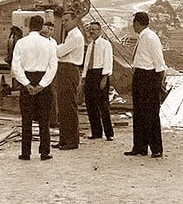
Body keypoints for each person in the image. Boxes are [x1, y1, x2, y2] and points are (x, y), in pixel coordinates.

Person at [12, 15, 57, 161]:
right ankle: (44, 152)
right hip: (43, 80)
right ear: (42, 26)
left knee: (26, 119)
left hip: (27, 79)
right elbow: (53, 67)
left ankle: (26, 153)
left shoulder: (20, 43)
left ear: (29, 26)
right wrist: (42, 85)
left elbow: (16, 66)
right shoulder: (50, 44)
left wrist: (26, 84)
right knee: (44, 119)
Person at [124, 11, 167, 158]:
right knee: (139, 113)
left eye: (133, 23)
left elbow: (159, 62)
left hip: (149, 77)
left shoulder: (150, 37)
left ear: (137, 23)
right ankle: (140, 147)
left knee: (150, 114)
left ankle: (156, 148)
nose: (133, 26)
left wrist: (159, 81)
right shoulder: (142, 37)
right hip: (140, 76)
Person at [53, 11, 85, 150]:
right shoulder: (70, 35)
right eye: (63, 20)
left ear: (75, 21)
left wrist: (48, 44)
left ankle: (72, 141)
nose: (64, 23)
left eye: (66, 20)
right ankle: (64, 140)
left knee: (69, 107)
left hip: (69, 70)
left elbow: (60, 52)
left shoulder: (76, 36)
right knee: (63, 106)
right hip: (64, 69)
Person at [82, 22, 114, 141]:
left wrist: (104, 77)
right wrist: (84, 78)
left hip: (100, 74)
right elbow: (86, 63)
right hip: (90, 74)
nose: (92, 32)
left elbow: (108, 60)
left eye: (95, 29)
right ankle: (96, 132)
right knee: (90, 104)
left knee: (103, 105)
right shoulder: (90, 45)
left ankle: (109, 133)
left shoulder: (105, 44)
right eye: (90, 29)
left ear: (100, 31)